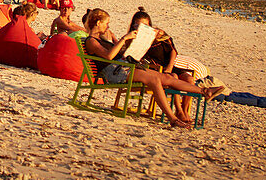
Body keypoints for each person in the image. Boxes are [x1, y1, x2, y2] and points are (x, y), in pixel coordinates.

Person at [82, 8, 223, 130]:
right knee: (155, 80)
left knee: (166, 78)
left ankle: (205, 91)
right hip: (115, 73)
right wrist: (125, 38)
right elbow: (108, 56)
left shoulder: (102, 38)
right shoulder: (91, 41)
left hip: (123, 67)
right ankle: (173, 119)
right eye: (106, 23)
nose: (108, 26)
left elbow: (116, 52)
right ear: (98, 23)